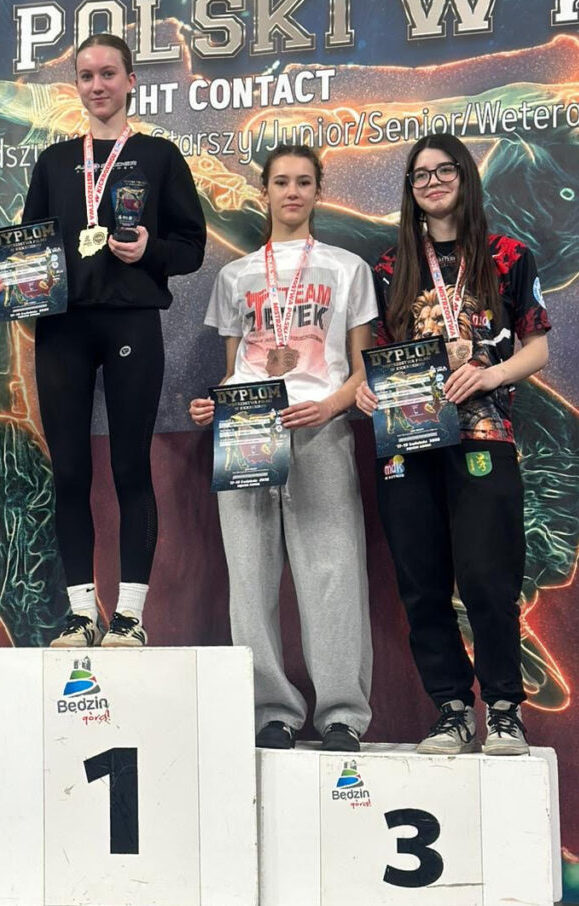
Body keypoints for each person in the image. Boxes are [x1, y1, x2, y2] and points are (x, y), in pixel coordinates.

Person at [0, 33, 206, 648]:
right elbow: (28, 245)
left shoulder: (159, 156)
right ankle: (81, 615)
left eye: (109, 73)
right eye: (86, 75)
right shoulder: (54, 161)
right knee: (70, 471)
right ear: (75, 85)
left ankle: (129, 615)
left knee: (130, 466)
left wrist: (149, 250)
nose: (97, 85)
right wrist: (4, 284)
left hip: (131, 322)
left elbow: (191, 248)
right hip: (63, 328)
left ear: (131, 81)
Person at [356, 133, 550, 756]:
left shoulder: (508, 254)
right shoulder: (391, 267)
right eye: (420, 175)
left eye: (444, 171)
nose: (432, 182)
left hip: (483, 434)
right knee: (421, 582)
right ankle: (451, 710)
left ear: (465, 177)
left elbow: (538, 348)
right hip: (407, 442)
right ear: (410, 190)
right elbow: (376, 358)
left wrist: (492, 375)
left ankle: (504, 709)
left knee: (489, 577)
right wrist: (367, 392)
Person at [189, 145, 374, 752]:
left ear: (318, 191)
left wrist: (333, 406)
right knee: (250, 576)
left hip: (320, 427)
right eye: (281, 182)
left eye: (303, 182)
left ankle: (342, 713)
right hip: (246, 433)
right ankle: (272, 710)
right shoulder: (235, 277)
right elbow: (232, 371)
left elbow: (361, 369)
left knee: (334, 572)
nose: (292, 192)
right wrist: (214, 404)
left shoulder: (348, 268)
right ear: (263, 191)